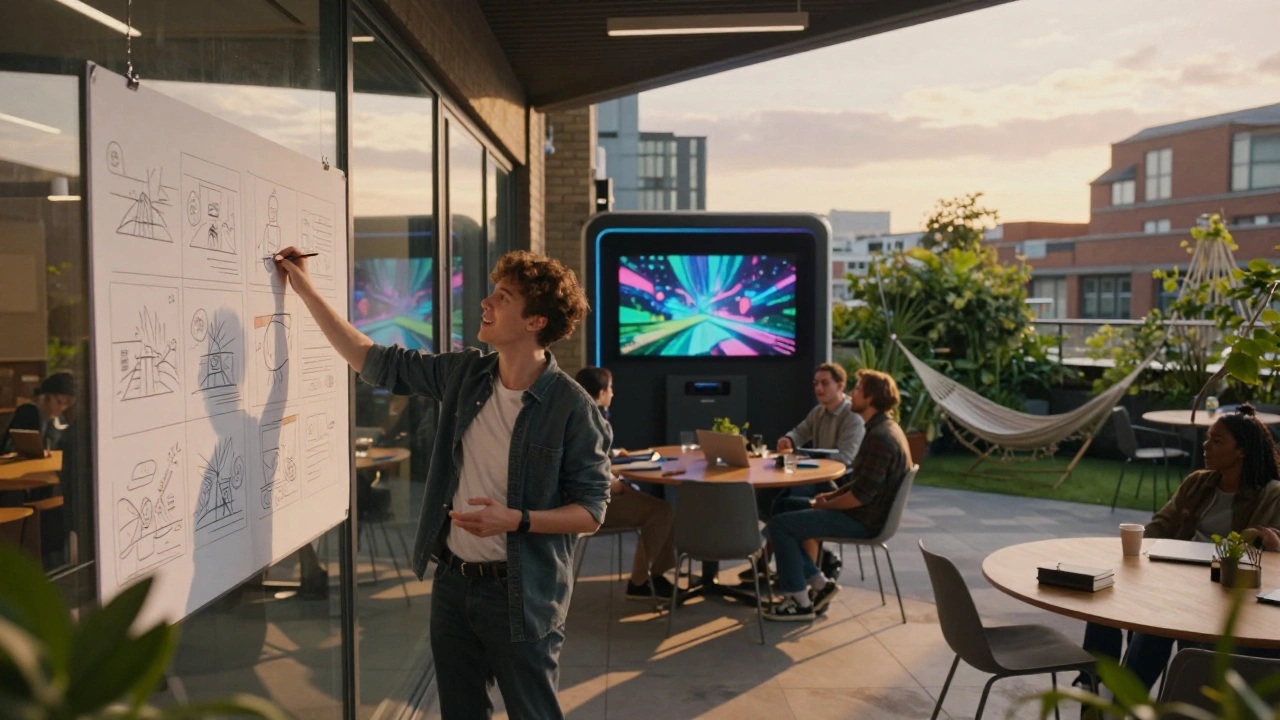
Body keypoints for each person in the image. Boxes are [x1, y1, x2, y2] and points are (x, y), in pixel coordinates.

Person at [273, 246, 611, 720]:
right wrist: (305, 288)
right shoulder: (465, 374)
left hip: (522, 595)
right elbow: (369, 358)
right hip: (453, 584)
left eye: (503, 297)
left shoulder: (573, 408)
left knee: (533, 713)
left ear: (535, 321)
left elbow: (591, 513)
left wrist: (515, 520)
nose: (485, 302)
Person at [1079, 404, 1280, 693]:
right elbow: (1161, 524)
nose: (1206, 446)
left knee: (1156, 625)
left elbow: (1265, 552)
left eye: (1217, 441)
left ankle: (1124, 699)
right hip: (1175, 576)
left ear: (1242, 451)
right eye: (1208, 438)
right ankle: (1092, 683)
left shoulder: (1270, 494)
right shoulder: (1198, 483)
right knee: (1104, 591)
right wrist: (1130, 553)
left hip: (1220, 589)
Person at [763, 369, 912, 622]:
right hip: (863, 512)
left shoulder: (880, 437)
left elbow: (860, 497)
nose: (852, 393)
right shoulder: (881, 429)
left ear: (871, 398)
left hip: (864, 520)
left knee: (780, 526)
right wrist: (829, 498)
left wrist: (826, 505)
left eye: (858, 389)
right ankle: (820, 584)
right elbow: (861, 484)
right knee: (785, 505)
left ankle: (799, 601)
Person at [744, 363, 865, 582]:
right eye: (816, 383)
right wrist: (788, 440)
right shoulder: (819, 412)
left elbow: (847, 458)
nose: (819, 388)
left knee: (788, 502)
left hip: (839, 484)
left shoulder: (852, 417)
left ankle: (791, 570)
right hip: (817, 478)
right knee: (769, 497)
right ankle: (781, 562)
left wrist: (808, 457)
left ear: (841, 385)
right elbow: (799, 432)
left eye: (825, 383)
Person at [574, 366, 677, 601]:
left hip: (578, 500)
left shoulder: (576, 414)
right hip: (590, 505)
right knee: (661, 511)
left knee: (657, 507)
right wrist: (619, 485)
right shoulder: (593, 422)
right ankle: (640, 582)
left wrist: (615, 463)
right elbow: (593, 476)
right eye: (610, 388)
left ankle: (655, 576)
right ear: (601, 392)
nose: (612, 393)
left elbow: (590, 459)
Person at [1, 372, 75, 454]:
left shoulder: (60, 420)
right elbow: (12, 448)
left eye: (67, 404)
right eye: (59, 402)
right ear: (45, 397)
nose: (62, 408)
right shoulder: (28, 412)